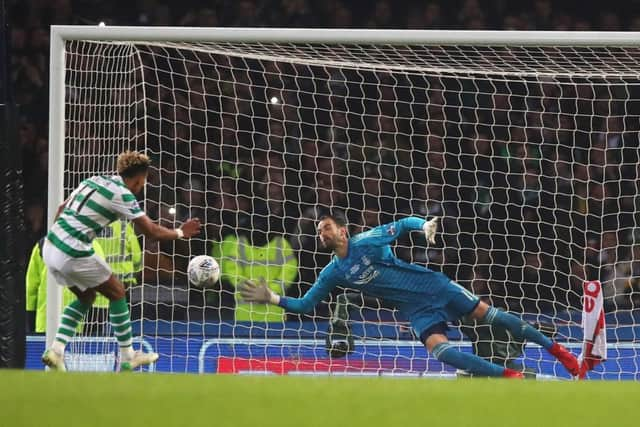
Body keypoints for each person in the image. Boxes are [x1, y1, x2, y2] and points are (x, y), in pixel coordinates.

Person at [240, 214, 580, 378]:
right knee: (440, 351)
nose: (321, 233)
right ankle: (509, 377)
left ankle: (559, 351)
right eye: (318, 231)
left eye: (326, 227)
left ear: (342, 231)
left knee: (491, 316)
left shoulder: (367, 241)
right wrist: (272, 298)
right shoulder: (332, 272)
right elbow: (306, 304)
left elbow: (401, 225)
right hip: (415, 308)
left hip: (433, 286)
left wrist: (423, 226)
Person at [41, 150, 201, 371]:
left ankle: (56, 351)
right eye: (143, 181)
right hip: (73, 249)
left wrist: (62, 238)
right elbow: (152, 231)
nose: (142, 186)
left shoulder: (93, 180)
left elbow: (60, 209)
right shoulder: (123, 194)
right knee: (117, 291)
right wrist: (181, 233)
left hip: (50, 246)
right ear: (138, 179)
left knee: (87, 296)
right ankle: (128, 356)